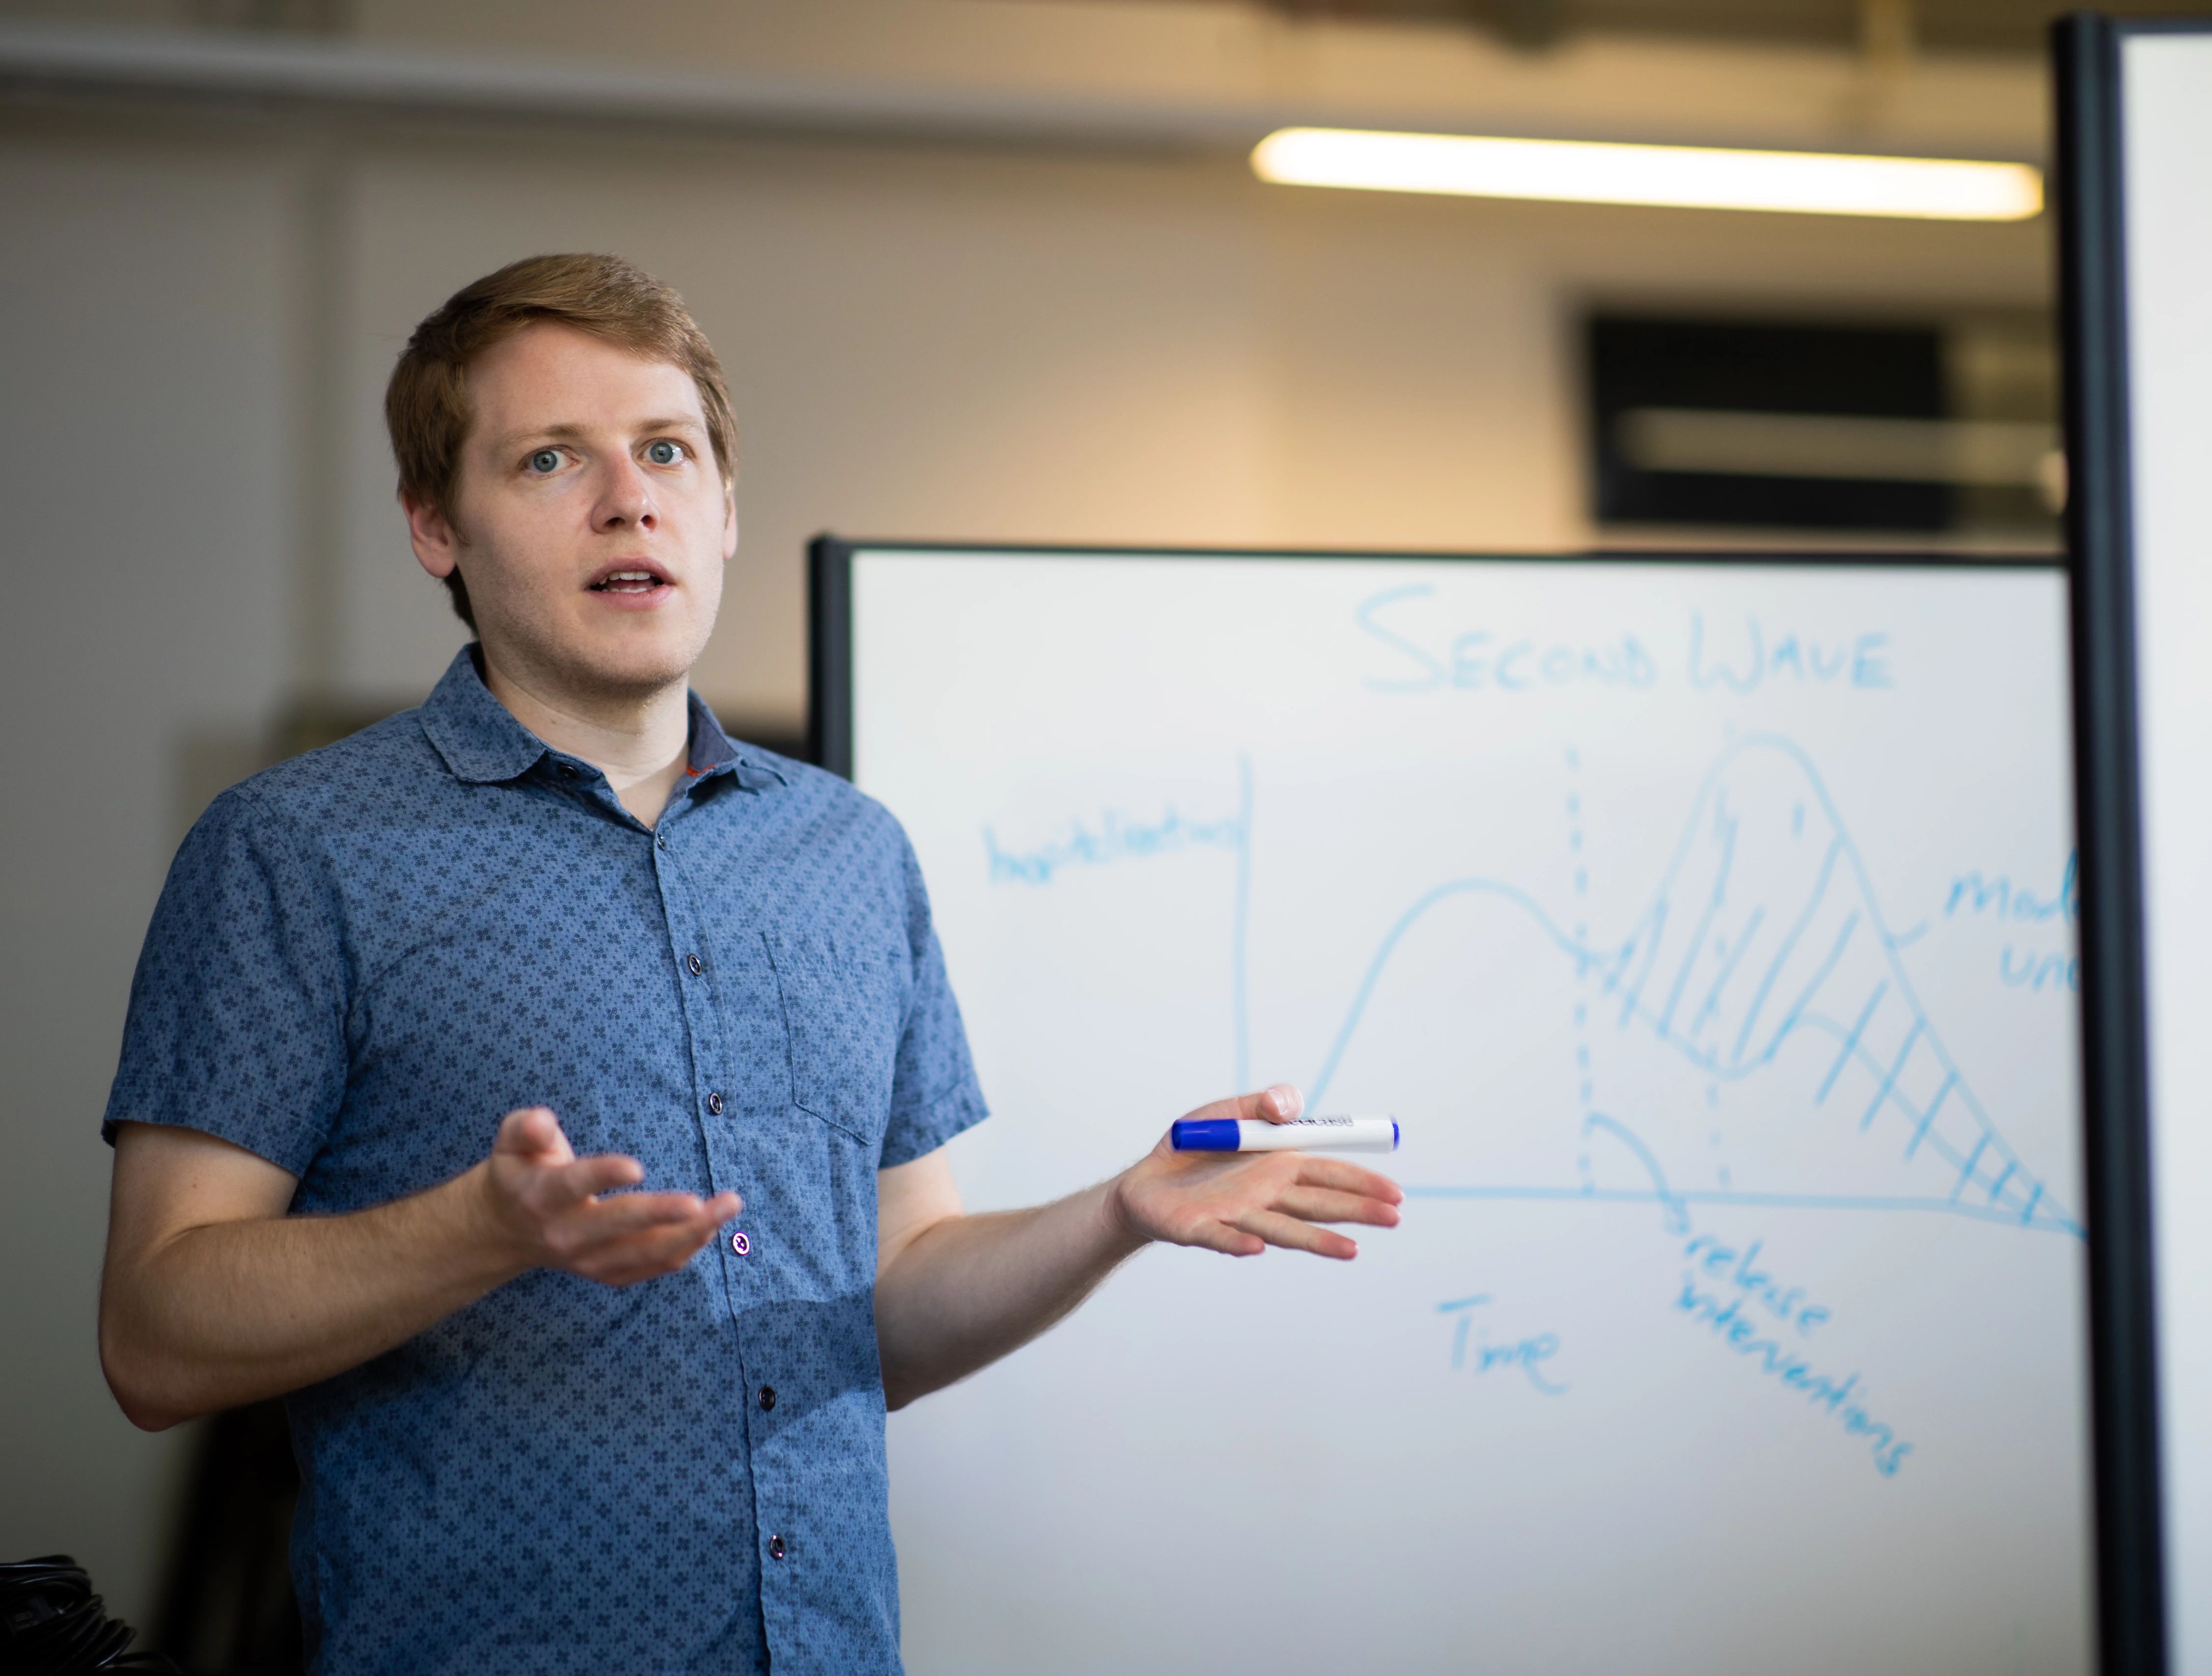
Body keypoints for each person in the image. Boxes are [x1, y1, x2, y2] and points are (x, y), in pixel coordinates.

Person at [95, 253, 1404, 1676]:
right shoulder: (298, 849)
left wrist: (1115, 1213)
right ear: (435, 524)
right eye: (549, 460)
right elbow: (156, 1339)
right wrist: (483, 1230)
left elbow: (890, 1300)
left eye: (667, 450)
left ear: (724, 510)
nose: (629, 497)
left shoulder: (851, 850)